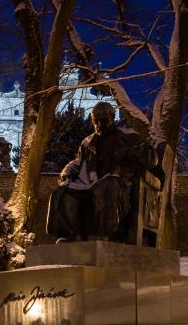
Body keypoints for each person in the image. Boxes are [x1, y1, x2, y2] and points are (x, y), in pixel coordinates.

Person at [46, 102, 155, 242]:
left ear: (111, 118)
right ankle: (72, 233)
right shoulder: (88, 142)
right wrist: (67, 171)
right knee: (61, 191)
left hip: (120, 188)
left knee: (106, 184)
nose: (98, 124)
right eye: (95, 120)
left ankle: (103, 234)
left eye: (102, 120)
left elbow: (152, 159)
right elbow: (79, 161)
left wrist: (129, 152)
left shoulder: (128, 137)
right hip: (90, 184)